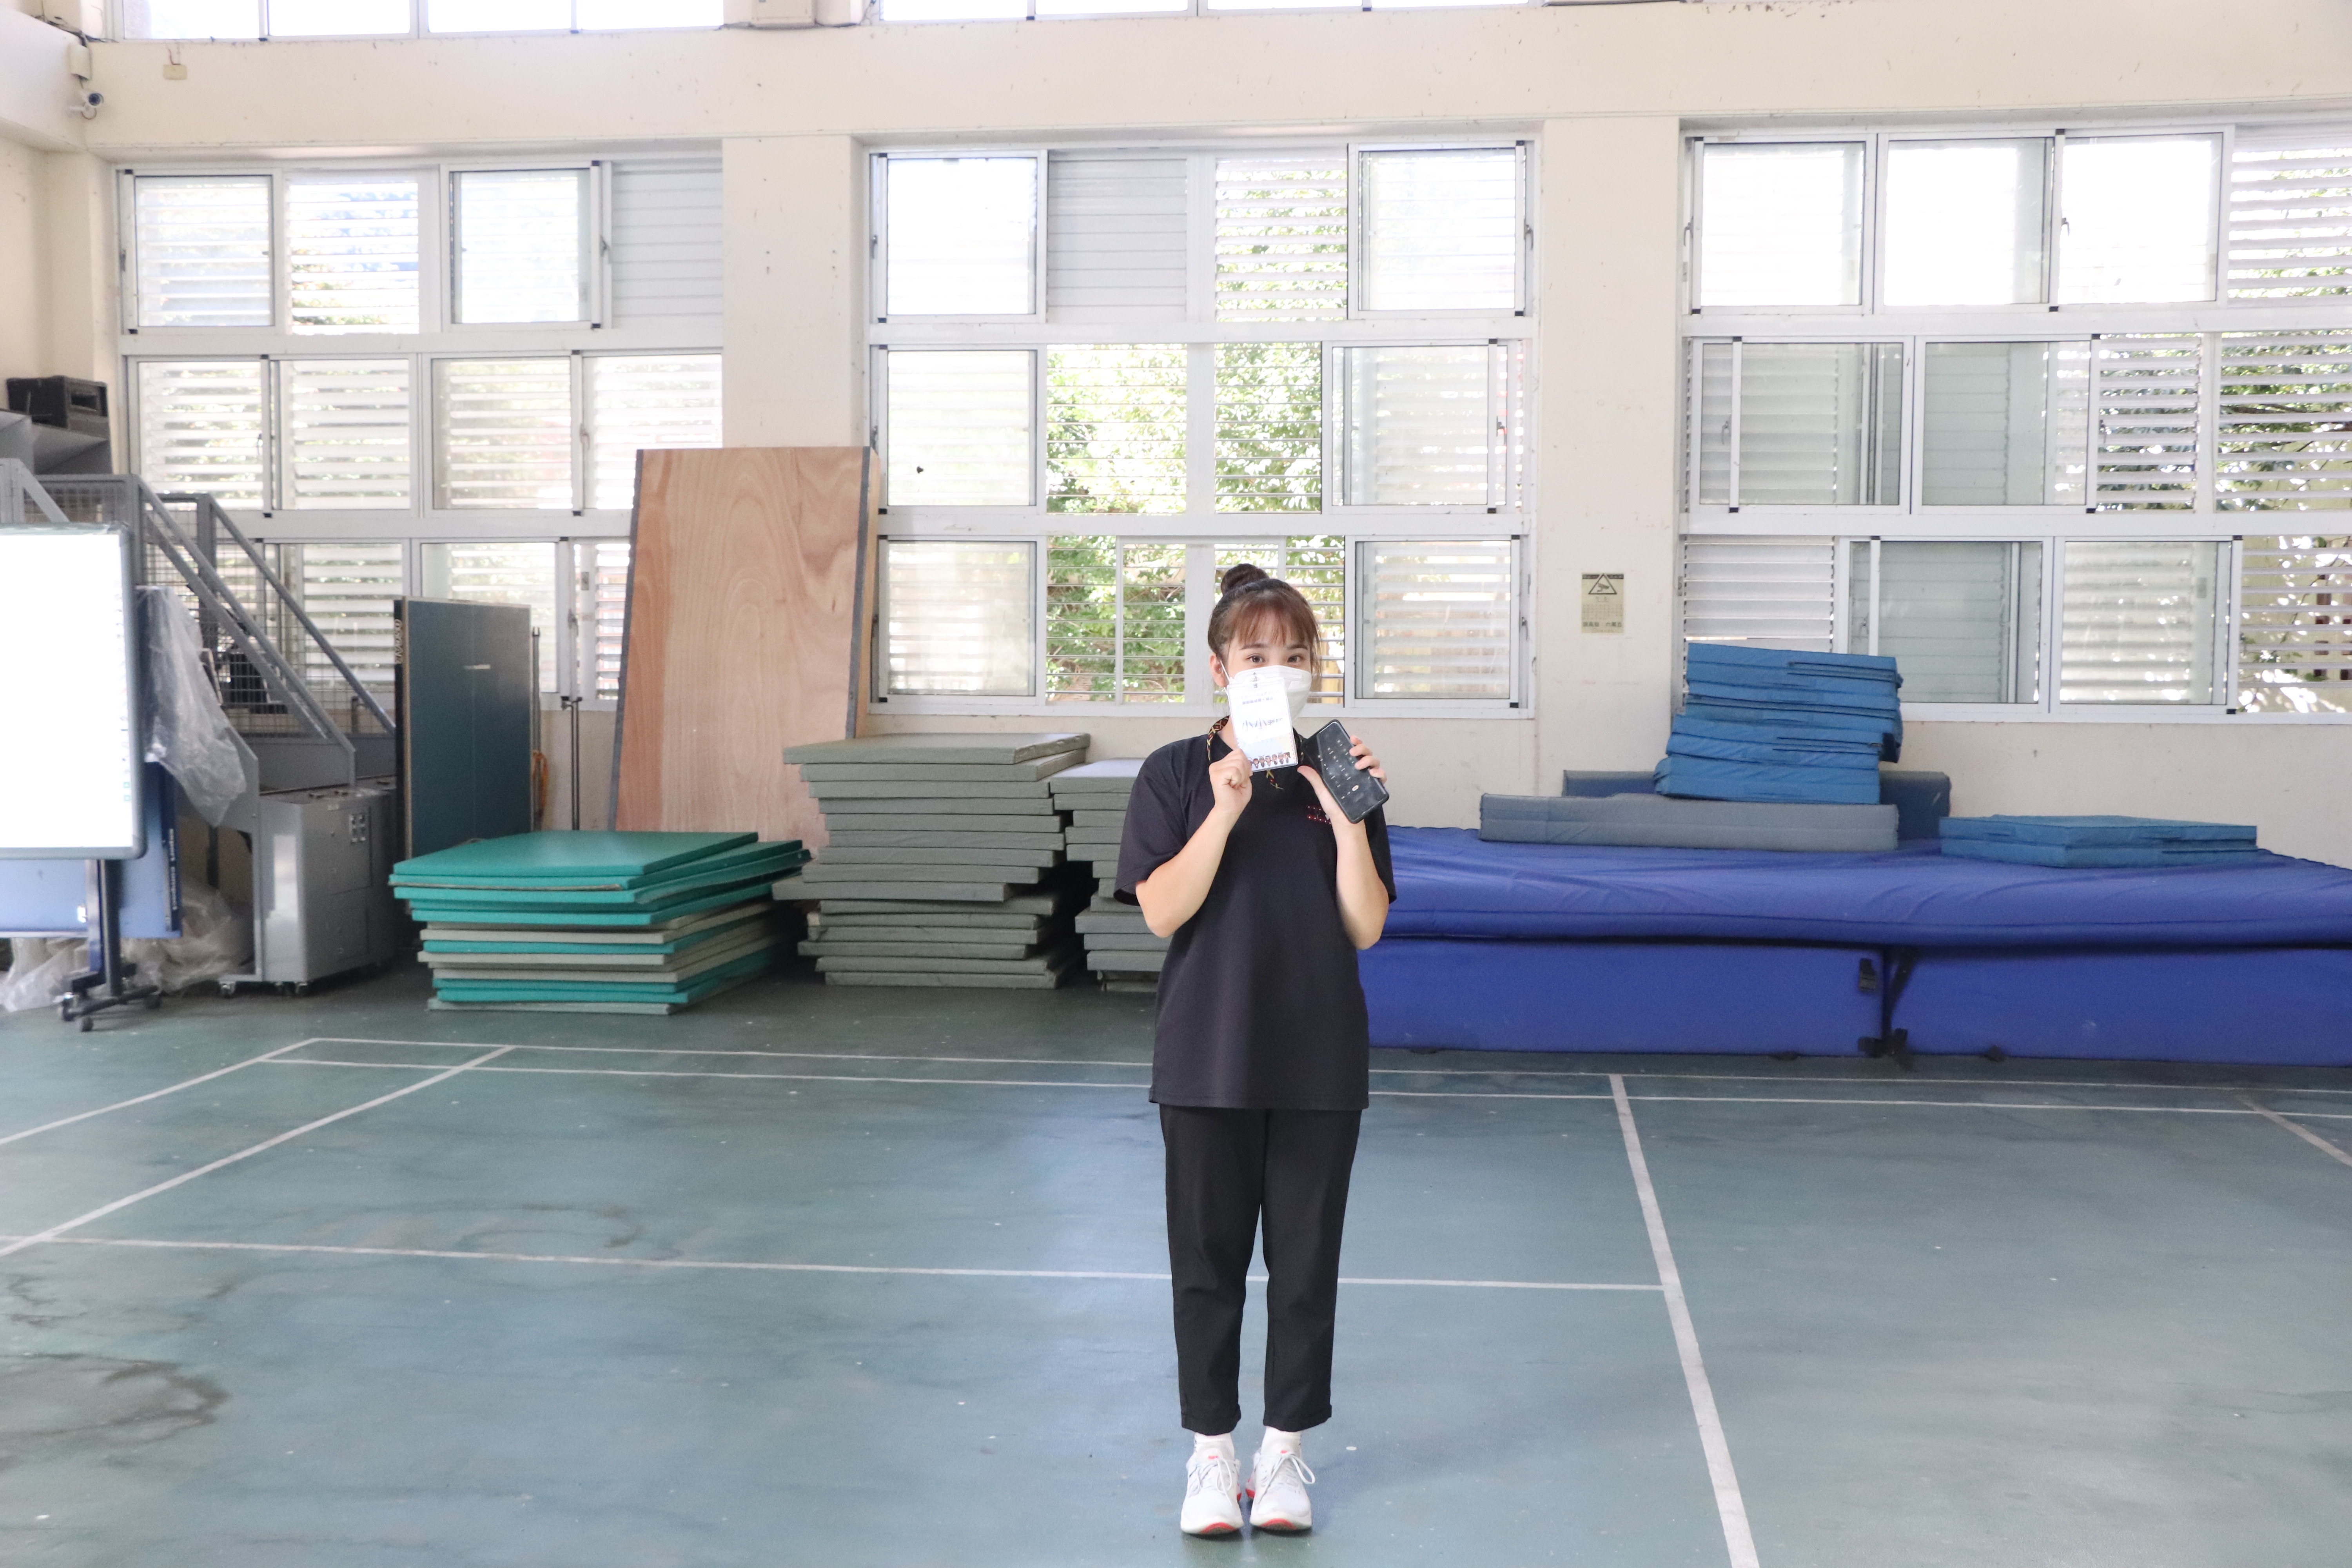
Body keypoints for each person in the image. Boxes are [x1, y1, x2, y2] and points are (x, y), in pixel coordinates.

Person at [1115, 563, 1395, 1538]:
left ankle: (1282, 1455)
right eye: (1255, 655)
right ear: (1219, 669)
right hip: (1208, 1056)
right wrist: (1226, 808)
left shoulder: (1342, 766)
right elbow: (1161, 910)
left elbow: (1366, 924)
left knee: (1306, 1267)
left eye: (1295, 655)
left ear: (1315, 669)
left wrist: (1350, 817)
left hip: (1320, 1056)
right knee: (1207, 1264)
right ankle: (1211, 1456)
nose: (1277, 670)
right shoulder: (1174, 773)